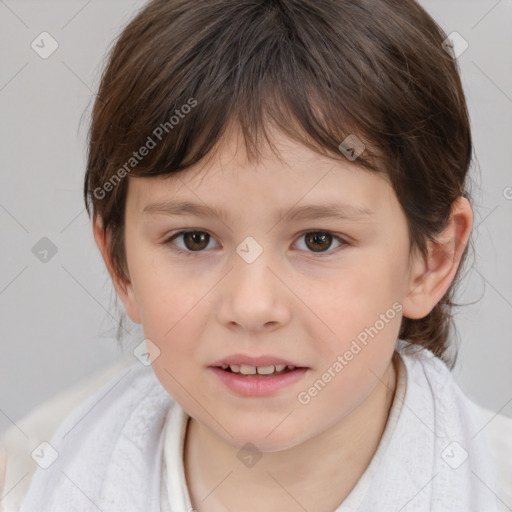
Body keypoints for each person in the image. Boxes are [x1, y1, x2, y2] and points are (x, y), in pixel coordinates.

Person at [8, 0, 504, 510]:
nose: (251, 307)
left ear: (430, 260)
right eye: (193, 239)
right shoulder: (30, 481)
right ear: (120, 264)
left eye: (319, 240)